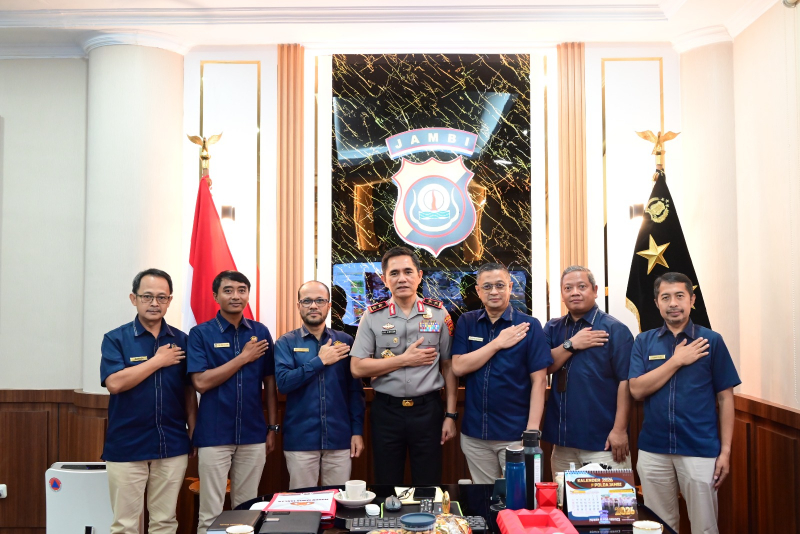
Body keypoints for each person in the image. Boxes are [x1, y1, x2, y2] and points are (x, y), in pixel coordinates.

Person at [629, 272, 740, 534]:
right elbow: (636, 390)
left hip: (699, 449)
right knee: (657, 526)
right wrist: (677, 360)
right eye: (665, 297)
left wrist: (725, 452)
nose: (673, 303)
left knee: (704, 526)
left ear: (692, 299)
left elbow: (725, 398)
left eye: (680, 296)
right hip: (653, 449)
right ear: (657, 303)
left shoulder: (711, 341)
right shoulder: (644, 341)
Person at [350, 246, 457, 485]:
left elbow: (449, 366)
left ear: (419, 276)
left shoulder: (439, 313)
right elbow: (357, 368)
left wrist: (450, 415)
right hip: (386, 412)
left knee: (429, 484)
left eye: (408, 272)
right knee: (386, 484)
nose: (402, 278)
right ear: (384, 279)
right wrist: (403, 360)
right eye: (394, 273)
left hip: (428, 411)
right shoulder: (372, 316)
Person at [100, 268, 197, 534]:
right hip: (127, 444)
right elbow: (115, 383)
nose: (154, 303)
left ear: (169, 300)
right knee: (125, 524)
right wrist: (157, 361)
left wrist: (193, 429)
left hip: (172, 442)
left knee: (164, 521)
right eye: (147, 296)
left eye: (161, 297)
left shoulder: (182, 340)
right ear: (134, 299)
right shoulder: (116, 339)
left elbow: (189, 391)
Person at [187, 270, 279, 534]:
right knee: (210, 513)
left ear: (248, 295)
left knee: (247, 510)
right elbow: (201, 382)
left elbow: (270, 383)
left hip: (253, 433)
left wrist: (272, 428)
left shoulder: (260, 332)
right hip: (214, 434)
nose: (236, 296)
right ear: (216, 296)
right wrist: (242, 358)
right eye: (228, 290)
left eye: (241, 290)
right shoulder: (200, 334)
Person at [451, 262, 552, 483]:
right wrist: (497, 343)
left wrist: (532, 432)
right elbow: (458, 367)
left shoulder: (528, 325)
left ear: (510, 287)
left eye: (500, 285)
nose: (494, 291)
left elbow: (539, 381)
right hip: (475, 434)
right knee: (484, 496)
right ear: (478, 291)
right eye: (487, 287)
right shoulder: (467, 322)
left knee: (520, 496)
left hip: (515, 434)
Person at [542, 265, 634, 473]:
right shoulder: (553, 328)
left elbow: (626, 382)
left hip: (603, 442)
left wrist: (620, 430)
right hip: (563, 442)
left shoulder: (614, 329)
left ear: (595, 290)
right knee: (563, 494)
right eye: (568, 288)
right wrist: (571, 344)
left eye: (582, 286)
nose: (575, 292)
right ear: (562, 294)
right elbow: (544, 366)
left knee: (608, 496)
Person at [275, 281, 366, 489]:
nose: (313, 306)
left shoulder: (345, 341)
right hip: (301, 441)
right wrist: (320, 361)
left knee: (337, 500)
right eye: (307, 301)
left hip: (339, 439)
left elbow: (355, 392)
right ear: (299, 306)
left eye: (320, 301)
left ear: (329, 306)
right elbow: (284, 383)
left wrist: (357, 431)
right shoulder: (286, 342)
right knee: (302, 503)